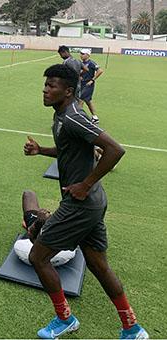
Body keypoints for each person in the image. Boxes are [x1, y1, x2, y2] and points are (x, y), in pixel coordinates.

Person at [23, 64, 148, 339]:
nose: (45, 90)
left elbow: (115, 150)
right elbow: (70, 148)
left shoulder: (73, 117)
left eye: (52, 86)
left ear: (67, 92)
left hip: (80, 204)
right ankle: (132, 328)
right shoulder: (63, 116)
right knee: (98, 265)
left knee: (38, 256)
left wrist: (85, 184)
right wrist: (40, 150)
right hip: (92, 203)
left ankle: (65, 319)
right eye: (45, 85)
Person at [15, 190, 75, 267]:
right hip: (61, 257)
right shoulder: (67, 250)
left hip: (27, 254)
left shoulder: (20, 246)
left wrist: (37, 222)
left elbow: (28, 194)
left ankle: (36, 223)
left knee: (29, 194)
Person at [79, 49, 104, 124]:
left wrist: (92, 80)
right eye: (81, 53)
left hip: (88, 85)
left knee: (80, 100)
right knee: (88, 101)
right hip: (82, 84)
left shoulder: (91, 63)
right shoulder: (82, 63)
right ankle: (95, 117)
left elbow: (100, 70)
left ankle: (78, 118)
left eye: (83, 54)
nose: (81, 55)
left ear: (88, 55)